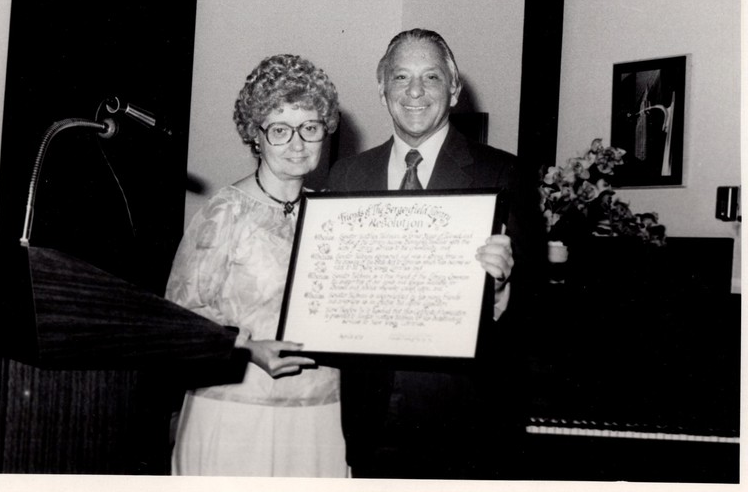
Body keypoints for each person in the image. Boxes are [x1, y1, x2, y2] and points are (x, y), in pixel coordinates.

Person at [327, 28, 545, 480]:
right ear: (382, 87)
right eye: (401, 77)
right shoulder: (348, 174)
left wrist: (503, 286)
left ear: (454, 89)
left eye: (430, 77)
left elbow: (537, 309)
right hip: (370, 417)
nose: (414, 92)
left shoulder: (504, 172)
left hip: (467, 421)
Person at [165, 53, 347, 477]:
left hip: (319, 415)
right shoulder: (225, 211)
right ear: (256, 136)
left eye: (311, 127)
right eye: (280, 129)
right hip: (237, 413)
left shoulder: (332, 214)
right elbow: (180, 316)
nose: (298, 143)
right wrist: (246, 348)